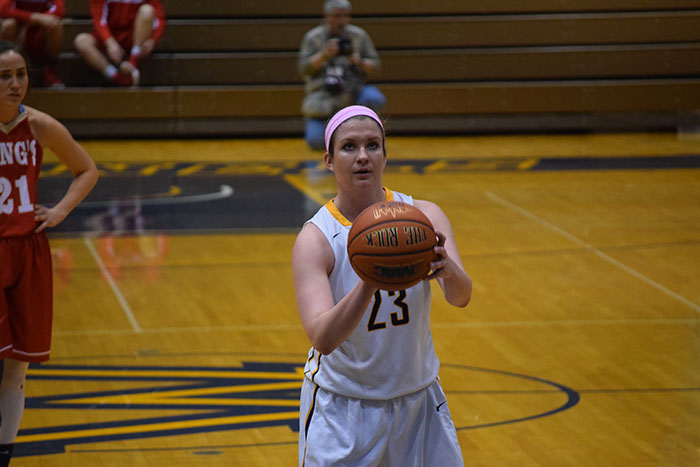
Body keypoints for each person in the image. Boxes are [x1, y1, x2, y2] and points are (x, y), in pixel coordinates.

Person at [292, 105, 472, 466]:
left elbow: (462, 296)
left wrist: (447, 268)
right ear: (328, 159)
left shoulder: (425, 216)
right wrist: (369, 281)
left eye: (373, 145)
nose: (362, 157)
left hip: (419, 400)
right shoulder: (316, 239)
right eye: (349, 147)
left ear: (385, 155)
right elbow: (322, 338)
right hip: (343, 407)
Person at [0, 40, 98, 466]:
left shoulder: (39, 125)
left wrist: (58, 210)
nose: (15, 83)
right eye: (5, 76)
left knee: (18, 366)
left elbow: (87, 169)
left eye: (21, 74)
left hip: (28, 252)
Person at [297, 0, 386, 150]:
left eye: (345, 16)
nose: (342, 21)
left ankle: (362, 132)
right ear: (326, 16)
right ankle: (333, 130)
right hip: (323, 97)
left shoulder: (359, 35)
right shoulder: (313, 37)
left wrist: (359, 61)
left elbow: (376, 68)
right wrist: (324, 55)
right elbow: (303, 70)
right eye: (337, 16)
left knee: (374, 97)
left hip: (353, 93)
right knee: (316, 142)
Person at [73, 0, 165, 87]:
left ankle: (133, 61)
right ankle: (117, 77)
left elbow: (159, 18)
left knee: (147, 10)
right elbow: (99, 20)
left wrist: (153, 40)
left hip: (135, 37)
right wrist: (109, 41)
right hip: (110, 36)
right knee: (81, 41)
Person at [0, 0, 64, 88]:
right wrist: (33, 17)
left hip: (38, 33)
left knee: (55, 25)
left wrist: (31, 22)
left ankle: (48, 69)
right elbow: (3, 10)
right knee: (9, 24)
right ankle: (5, 69)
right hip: (18, 31)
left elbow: (59, 11)